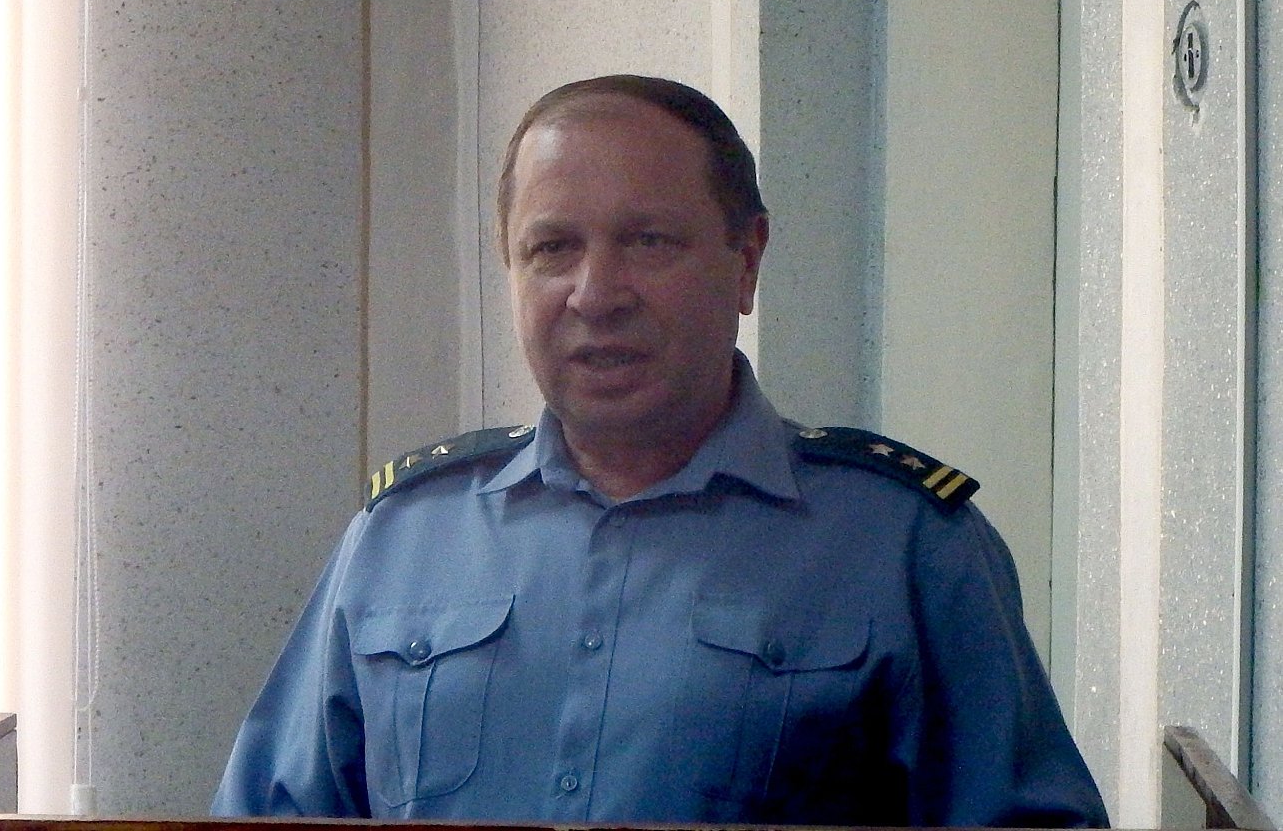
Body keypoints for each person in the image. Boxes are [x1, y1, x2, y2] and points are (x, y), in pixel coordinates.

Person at [212, 74, 1108, 826]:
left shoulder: (902, 546)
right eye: (552, 248)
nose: (596, 294)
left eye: (648, 242)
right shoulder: (402, 538)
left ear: (746, 259)